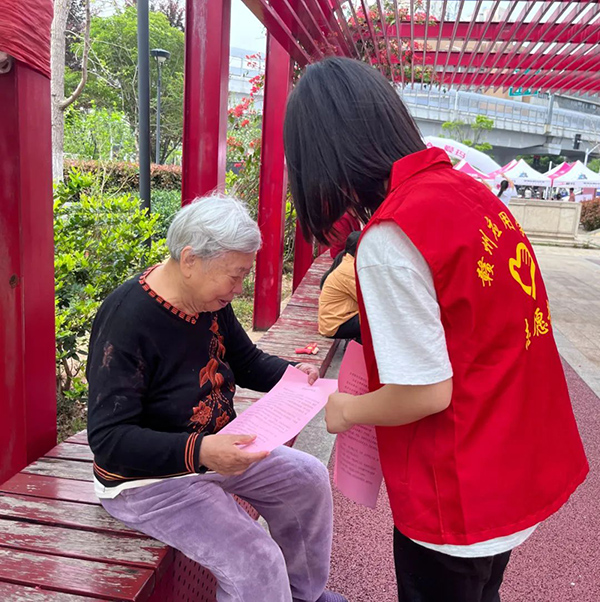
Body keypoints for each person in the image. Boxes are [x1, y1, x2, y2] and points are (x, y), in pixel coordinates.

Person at [283, 57, 588, 602]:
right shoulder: (470, 193)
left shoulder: (391, 236)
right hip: (513, 463)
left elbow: (424, 392)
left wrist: (346, 410)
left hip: (458, 488)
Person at [86, 195, 347, 602]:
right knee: (256, 561)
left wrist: (294, 376)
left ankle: (302, 596)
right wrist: (202, 451)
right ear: (190, 260)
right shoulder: (127, 319)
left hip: (217, 449)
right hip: (147, 481)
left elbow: (246, 360)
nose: (239, 289)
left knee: (307, 479)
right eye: (235, 275)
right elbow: (109, 440)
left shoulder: (208, 300)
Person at [318, 232, 361, 343]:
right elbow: (366, 300)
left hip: (336, 320)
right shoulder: (350, 270)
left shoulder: (348, 262)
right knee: (377, 319)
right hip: (336, 324)